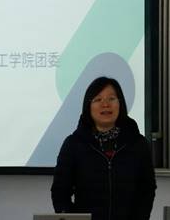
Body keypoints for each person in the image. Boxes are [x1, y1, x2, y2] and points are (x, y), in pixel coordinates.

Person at [51, 76, 156, 220]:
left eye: (111, 99)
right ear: (88, 106)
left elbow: (147, 189)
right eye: (98, 99)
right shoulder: (73, 144)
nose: (105, 104)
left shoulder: (138, 144)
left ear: (120, 104)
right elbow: (60, 192)